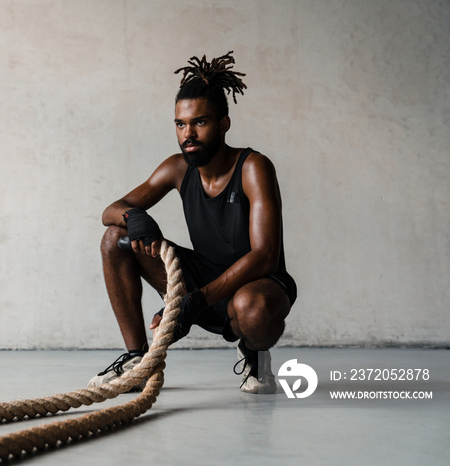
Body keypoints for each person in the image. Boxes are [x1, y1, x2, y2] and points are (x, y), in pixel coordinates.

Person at [88, 53, 297, 394]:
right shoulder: (177, 168)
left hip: (256, 284)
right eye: (180, 124)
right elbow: (112, 210)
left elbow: (265, 256)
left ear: (224, 124)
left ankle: (256, 352)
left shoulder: (253, 167)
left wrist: (195, 301)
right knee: (115, 238)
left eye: (200, 122)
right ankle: (136, 357)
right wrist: (136, 217)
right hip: (205, 281)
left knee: (252, 310)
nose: (189, 134)